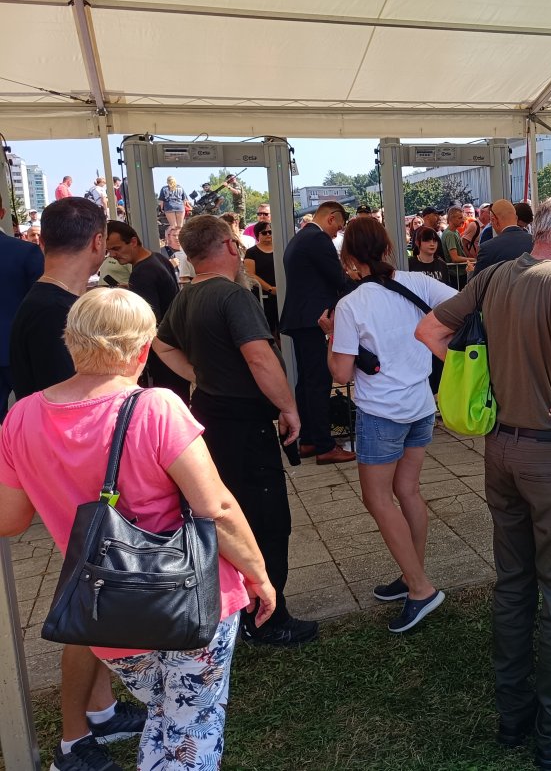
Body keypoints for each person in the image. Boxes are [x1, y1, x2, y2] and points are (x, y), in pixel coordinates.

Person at [0, 288, 276, 771]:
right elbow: (217, 508)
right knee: (192, 727)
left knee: (167, 713)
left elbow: (10, 520)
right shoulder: (156, 407)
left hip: (106, 611)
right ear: (143, 348)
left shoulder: (21, 417)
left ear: (71, 342)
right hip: (191, 599)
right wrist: (258, 574)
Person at [415, 195, 551, 769]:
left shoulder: (496, 274)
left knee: (513, 585)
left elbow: (429, 331)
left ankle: (513, 716)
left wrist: (482, 376)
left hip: (500, 447)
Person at [9, 197, 147, 771]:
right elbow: (77, 412)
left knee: (94, 607)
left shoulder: (47, 304)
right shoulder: (58, 314)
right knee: (87, 612)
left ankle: (100, 712)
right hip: (83, 487)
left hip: (77, 482)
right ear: (96, 242)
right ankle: (72, 742)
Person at [153, 214, 319, 648]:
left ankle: (239, 610)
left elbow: (161, 344)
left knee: (228, 518)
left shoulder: (188, 296)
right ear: (230, 246)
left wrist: (199, 375)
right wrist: (289, 407)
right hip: (244, 423)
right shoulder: (232, 294)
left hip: (212, 416)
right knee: (265, 520)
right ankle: (268, 618)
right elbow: (259, 358)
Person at [318, 218, 457, 633]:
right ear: (388, 246)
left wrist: (330, 335)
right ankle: (412, 574)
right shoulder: (420, 283)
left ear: (349, 257)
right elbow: (464, 304)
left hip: (381, 412)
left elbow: (341, 373)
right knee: (407, 491)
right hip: (421, 404)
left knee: (378, 499)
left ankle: (420, 587)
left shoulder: (351, 305)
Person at [279, 201, 355, 465]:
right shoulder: (318, 239)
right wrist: (362, 283)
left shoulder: (300, 238)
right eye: (338, 228)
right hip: (314, 320)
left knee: (307, 383)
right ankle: (325, 445)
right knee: (319, 383)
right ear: (331, 218)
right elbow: (337, 279)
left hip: (301, 318)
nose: (337, 234)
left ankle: (309, 439)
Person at [105, 220, 191, 404]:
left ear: (133, 241)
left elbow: (148, 321)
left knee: (166, 403)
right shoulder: (157, 258)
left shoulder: (142, 273)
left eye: (117, 248)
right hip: (175, 344)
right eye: (109, 250)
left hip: (162, 351)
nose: (113, 255)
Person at [0, 204, 43, 423]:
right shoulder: (25, 252)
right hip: (20, 351)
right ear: (2, 213)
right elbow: (40, 304)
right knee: (33, 419)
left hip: (20, 351)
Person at [472, 199, 533, 274]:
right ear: (516, 218)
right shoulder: (534, 241)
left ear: (494, 220)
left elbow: (478, 279)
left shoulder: (487, 248)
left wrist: (470, 272)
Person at [244, 220, 280, 337]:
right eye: (264, 233)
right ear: (257, 235)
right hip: (263, 295)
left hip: (281, 293)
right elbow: (250, 274)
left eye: (270, 232)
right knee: (268, 328)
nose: (268, 234)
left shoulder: (280, 249)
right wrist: (270, 289)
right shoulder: (251, 252)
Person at [441, 205, 474, 289]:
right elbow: (455, 258)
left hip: (459, 272)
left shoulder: (454, 232)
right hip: (457, 274)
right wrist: (473, 260)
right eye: (460, 218)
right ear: (451, 219)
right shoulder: (450, 234)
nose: (463, 220)